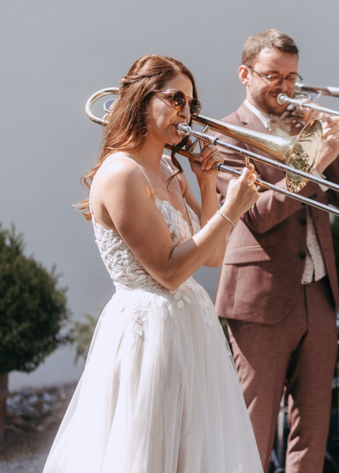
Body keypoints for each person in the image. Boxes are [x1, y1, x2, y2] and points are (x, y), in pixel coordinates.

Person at [44, 54, 263, 472]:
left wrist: (206, 184)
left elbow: (213, 257)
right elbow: (169, 272)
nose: (186, 112)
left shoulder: (167, 168)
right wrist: (231, 211)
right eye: (176, 99)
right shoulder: (122, 174)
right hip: (149, 333)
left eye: (192, 104)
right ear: (143, 99)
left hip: (190, 329)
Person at [211, 29, 339, 472]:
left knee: (312, 429)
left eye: (292, 77)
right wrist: (314, 160)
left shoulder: (304, 127)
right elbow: (257, 215)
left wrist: (330, 147)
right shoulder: (227, 133)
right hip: (260, 296)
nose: (285, 87)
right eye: (273, 76)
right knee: (253, 426)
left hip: (319, 293)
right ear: (245, 74)